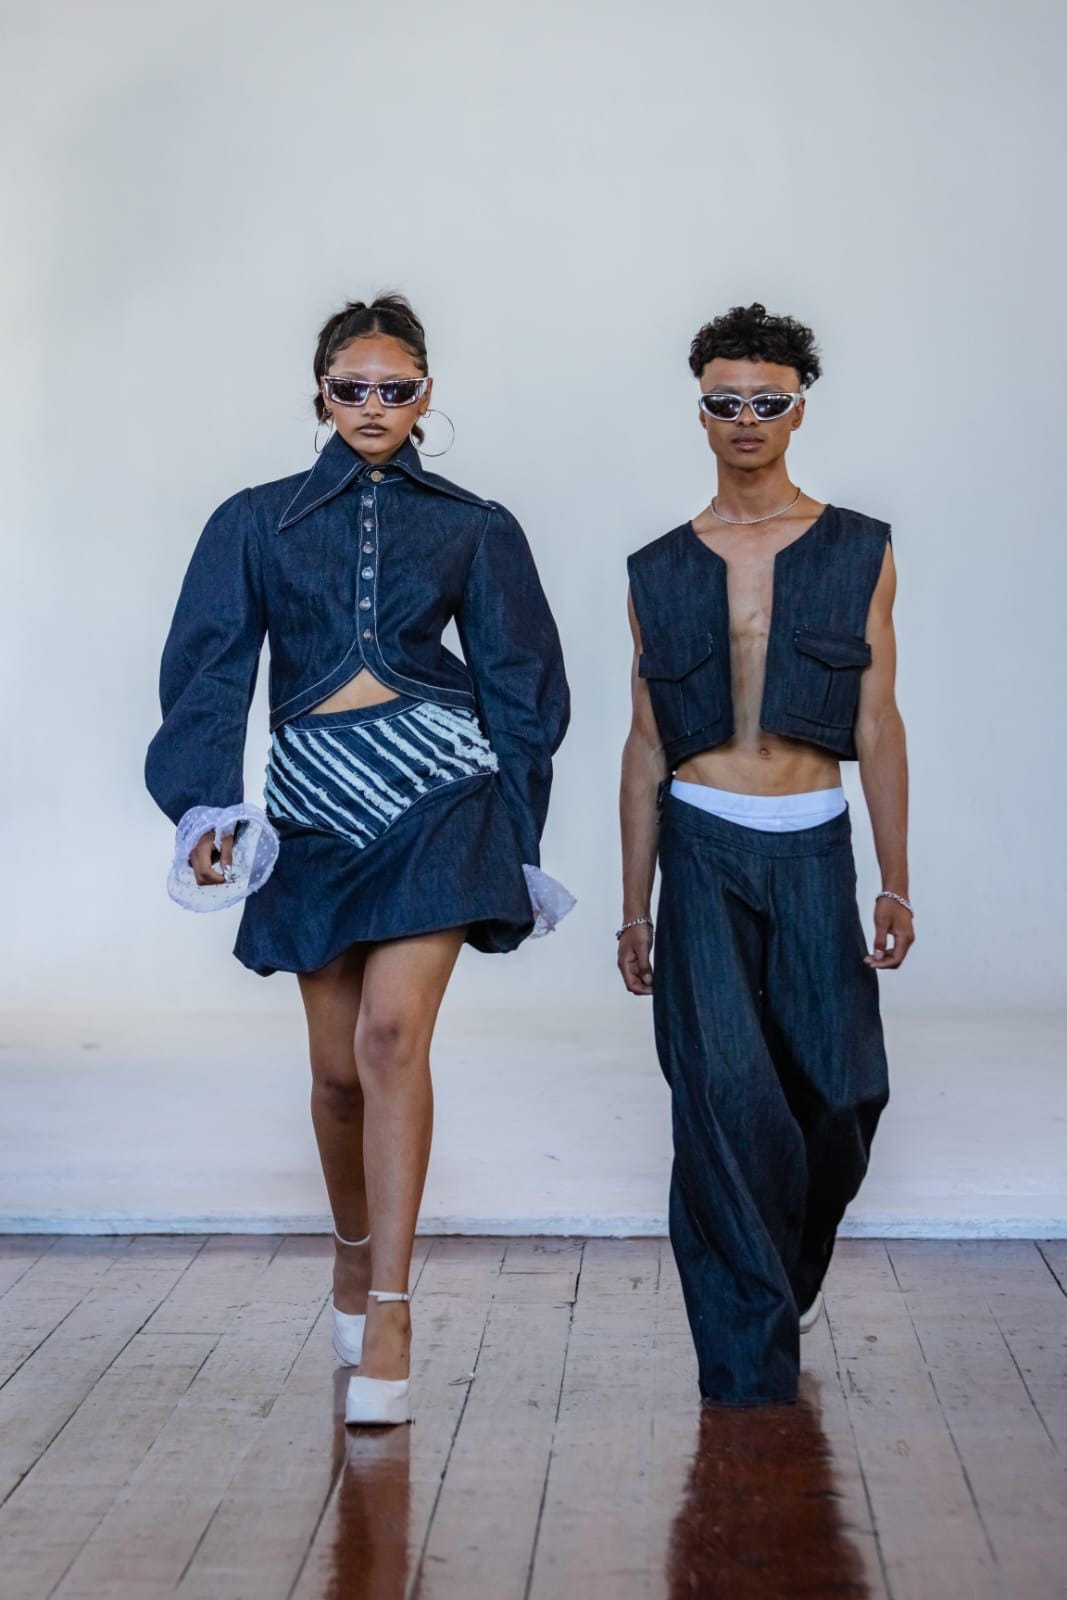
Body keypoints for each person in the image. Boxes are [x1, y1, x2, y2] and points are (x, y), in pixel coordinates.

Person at [145, 294, 573, 1425]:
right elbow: (207, 670)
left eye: (395, 388)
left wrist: (517, 836)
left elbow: (523, 688)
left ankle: (390, 1306)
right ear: (320, 393)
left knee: (391, 1038)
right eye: (352, 387)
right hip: (315, 811)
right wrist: (204, 807)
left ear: (426, 396)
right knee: (335, 1075)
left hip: (441, 792)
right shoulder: (255, 521)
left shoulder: (476, 525)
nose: (373, 405)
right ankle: (348, 1250)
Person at [618, 302, 913, 1406]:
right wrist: (634, 905)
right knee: (722, 1098)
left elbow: (877, 721)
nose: (746, 418)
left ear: (798, 410)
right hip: (699, 842)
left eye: (767, 401)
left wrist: (894, 880)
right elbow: (644, 741)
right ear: (699, 413)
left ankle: (778, 1276)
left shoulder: (859, 548)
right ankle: (746, 1372)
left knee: (842, 1091)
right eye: (725, 401)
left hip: (810, 841)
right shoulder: (658, 567)